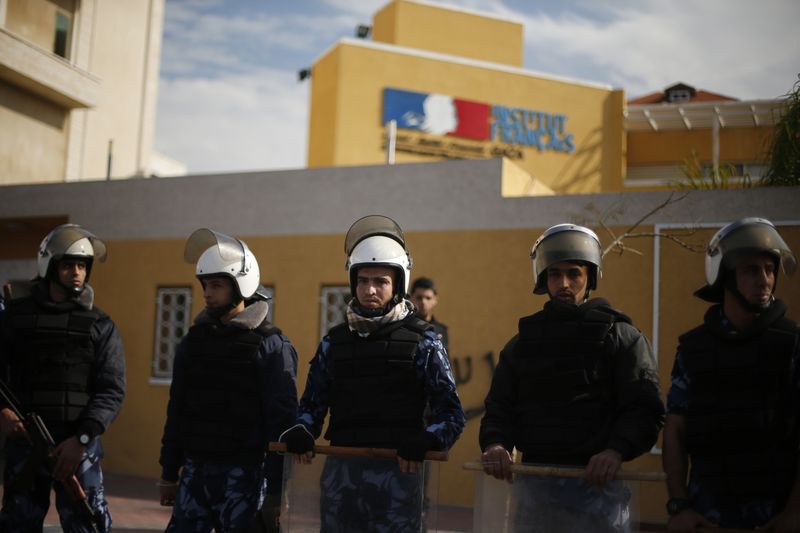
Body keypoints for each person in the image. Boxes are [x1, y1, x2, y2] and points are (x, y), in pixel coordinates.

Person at [280, 215, 465, 532]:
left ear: (397, 285)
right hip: (341, 484)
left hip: (398, 484)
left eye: (380, 281)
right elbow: (311, 406)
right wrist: (301, 430)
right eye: (363, 280)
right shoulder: (333, 343)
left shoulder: (424, 342)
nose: (370, 289)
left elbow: (451, 414)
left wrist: (427, 439)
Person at [479, 223, 665, 532]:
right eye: (554, 274)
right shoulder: (522, 344)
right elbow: (499, 406)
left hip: (598, 492)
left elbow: (645, 409)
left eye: (574, 273)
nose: (564, 283)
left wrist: (615, 450)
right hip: (535, 493)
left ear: (589, 277)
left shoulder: (622, 337)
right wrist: (496, 444)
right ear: (543, 278)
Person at [663, 217, 800, 531]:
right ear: (726, 276)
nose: (764, 280)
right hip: (708, 515)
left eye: (769, 269)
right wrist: (678, 506)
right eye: (751, 270)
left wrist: (795, 511)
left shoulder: (792, 344)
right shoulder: (694, 348)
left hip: (776, 516)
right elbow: (675, 429)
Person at [158, 229, 298, 532]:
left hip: (246, 477)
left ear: (242, 285)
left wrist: (276, 491)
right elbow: (178, 410)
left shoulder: (270, 344)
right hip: (194, 474)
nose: (207, 293)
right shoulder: (192, 342)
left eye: (217, 285)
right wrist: (169, 472)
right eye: (205, 284)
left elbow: (282, 422)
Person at [0, 224, 126, 532]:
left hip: (78, 449)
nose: (77, 272)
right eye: (69, 264)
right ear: (50, 266)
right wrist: (2, 413)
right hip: (26, 445)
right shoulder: (15, 319)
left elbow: (111, 390)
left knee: (89, 525)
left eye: (82, 265)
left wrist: (82, 439)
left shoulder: (100, 325)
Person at [410, 277, 449, 351]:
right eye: (419, 298)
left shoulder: (441, 329)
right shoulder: (405, 327)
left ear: (435, 299)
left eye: (428, 298)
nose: (423, 302)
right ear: (411, 298)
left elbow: (445, 360)